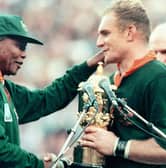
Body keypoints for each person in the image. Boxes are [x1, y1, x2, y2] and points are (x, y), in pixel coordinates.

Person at [0, 14, 105, 168]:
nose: (24, 54)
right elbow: (2, 150)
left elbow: (47, 100)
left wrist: (88, 66)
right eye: (20, 45)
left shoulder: (5, 88)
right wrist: (40, 164)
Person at [80, 0, 166, 168]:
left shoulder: (160, 77)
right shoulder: (110, 81)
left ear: (129, 33)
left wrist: (117, 146)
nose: (98, 42)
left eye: (105, 34)